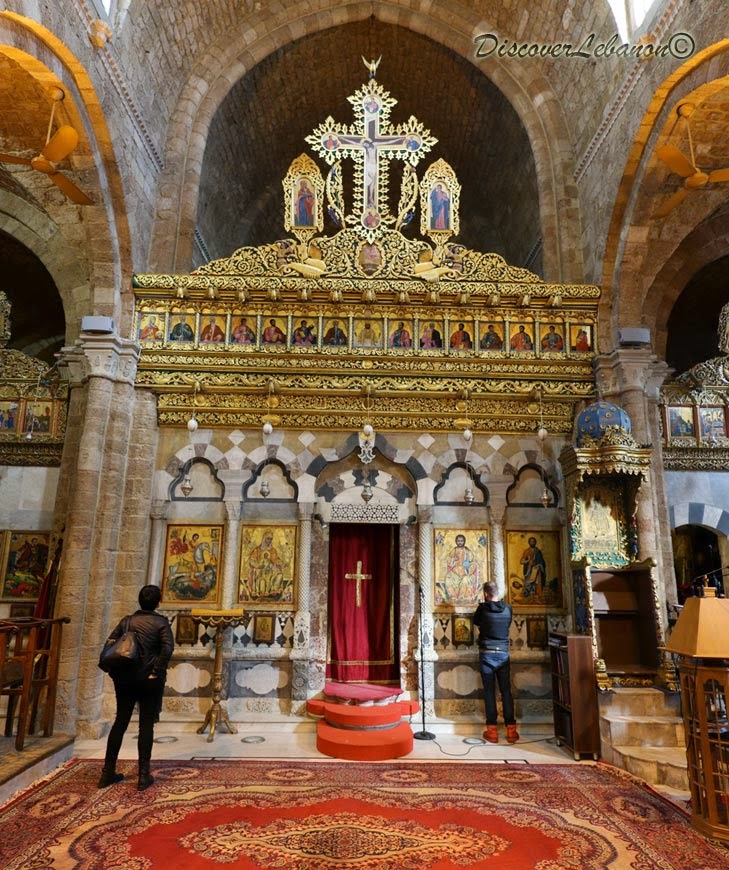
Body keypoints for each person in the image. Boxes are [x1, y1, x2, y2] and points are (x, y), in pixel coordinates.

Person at [98, 584, 174, 791]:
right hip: (149, 681)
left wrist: (114, 672)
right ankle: (142, 775)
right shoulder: (160, 623)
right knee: (146, 725)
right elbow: (168, 649)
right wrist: (155, 671)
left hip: (125, 678)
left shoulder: (127, 621)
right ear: (159, 602)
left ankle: (107, 772)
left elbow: (111, 646)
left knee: (120, 722)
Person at [473, 581, 519, 744]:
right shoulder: (508, 609)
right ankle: (511, 730)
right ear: (498, 592)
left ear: (486, 594)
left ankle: (492, 731)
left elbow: (476, 622)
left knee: (489, 692)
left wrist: (482, 606)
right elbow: (507, 623)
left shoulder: (482, 609)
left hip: (487, 654)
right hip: (503, 653)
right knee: (506, 691)